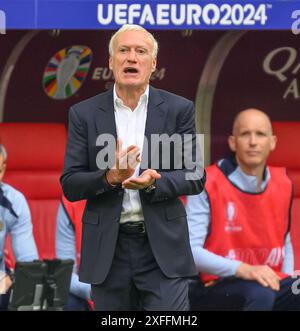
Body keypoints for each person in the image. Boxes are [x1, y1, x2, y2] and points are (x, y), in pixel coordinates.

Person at [60, 24, 205, 311]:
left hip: (161, 248)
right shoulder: (84, 114)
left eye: (141, 51)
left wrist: (153, 182)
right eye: (123, 50)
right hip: (108, 251)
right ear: (111, 62)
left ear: (153, 64)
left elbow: (195, 175)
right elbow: (70, 183)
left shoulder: (178, 110)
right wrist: (110, 177)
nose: (131, 58)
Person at [187, 108, 300, 311]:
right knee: (260, 295)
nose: (253, 142)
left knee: (296, 289)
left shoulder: (283, 183)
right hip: (216, 285)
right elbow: (191, 253)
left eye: (260, 134)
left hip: (265, 281)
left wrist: (288, 277)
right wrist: (243, 269)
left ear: (273, 142)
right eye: (245, 134)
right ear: (232, 142)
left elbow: (285, 239)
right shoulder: (207, 182)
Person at [0, 144, 38, 310]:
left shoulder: (13, 201)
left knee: (32, 294)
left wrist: (12, 279)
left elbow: (28, 264)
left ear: (3, 169)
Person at [56, 195, 91, 311]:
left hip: (130, 286)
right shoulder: (71, 198)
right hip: (88, 291)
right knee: (66, 301)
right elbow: (66, 274)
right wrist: (93, 292)